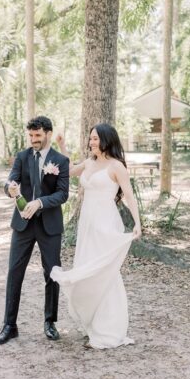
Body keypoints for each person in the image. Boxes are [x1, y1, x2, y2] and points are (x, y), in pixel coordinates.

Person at [50, 123, 141, 349]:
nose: (92, 142)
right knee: (88, 271)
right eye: (90, 139)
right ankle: (92, 323)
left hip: (105, 223)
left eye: (96, 139)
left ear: (107, 141)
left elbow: (128, 195)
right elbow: (67, 170)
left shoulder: (116, 166)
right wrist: (62, 145)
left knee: (104, 272)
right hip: (87, 224)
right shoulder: (89, 163)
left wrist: (138, 223)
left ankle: (107, 330)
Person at [0, 116, 70, 345]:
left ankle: (50, 322)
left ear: (48, 133)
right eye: (31, 136)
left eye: (37, 136)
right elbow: (9, 182)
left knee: (51, 274)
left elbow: (63, 193)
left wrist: (40, 202)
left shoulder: (61, 161)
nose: (34, 140)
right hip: (23, 224)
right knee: (14, 272)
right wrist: (11, 189)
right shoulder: (22, 156)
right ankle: (9, 325)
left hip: (49, 225)